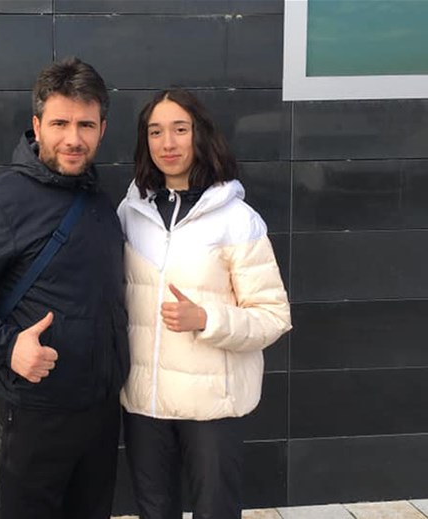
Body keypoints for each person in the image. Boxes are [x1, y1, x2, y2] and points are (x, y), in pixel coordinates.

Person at [0, 57, 129, 519]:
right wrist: (8, 347)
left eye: (85, 124)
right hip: (33, 415)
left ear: (102, 129)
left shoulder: (100, 202)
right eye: (60, 123)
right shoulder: (2, 201)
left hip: (99, 414)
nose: (73, 138)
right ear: (37, 126)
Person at [117, 89, 292, 519]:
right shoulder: (130, 213)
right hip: (144, 403)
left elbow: (273, 316)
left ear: (201, 135)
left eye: (180, 129)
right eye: (155, 132)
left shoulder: (237, 220)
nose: (167, 143)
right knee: (154, 511)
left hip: (212, 405)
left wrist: (207, 318)